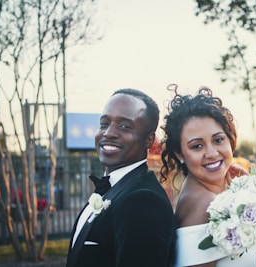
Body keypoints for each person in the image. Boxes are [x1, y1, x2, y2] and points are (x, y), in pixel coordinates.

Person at [160, 84, 256, 267]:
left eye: (218, 140)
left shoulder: (214, 192)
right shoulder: (205, 204)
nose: (212, 153)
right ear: (179, 154)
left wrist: (246, 191)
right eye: (197, 146)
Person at [66, 88, 175, 267]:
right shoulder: (117, 189)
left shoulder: (144, 201)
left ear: (148, 140)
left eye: (124, 126)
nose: (108, 133)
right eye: (104, 123)